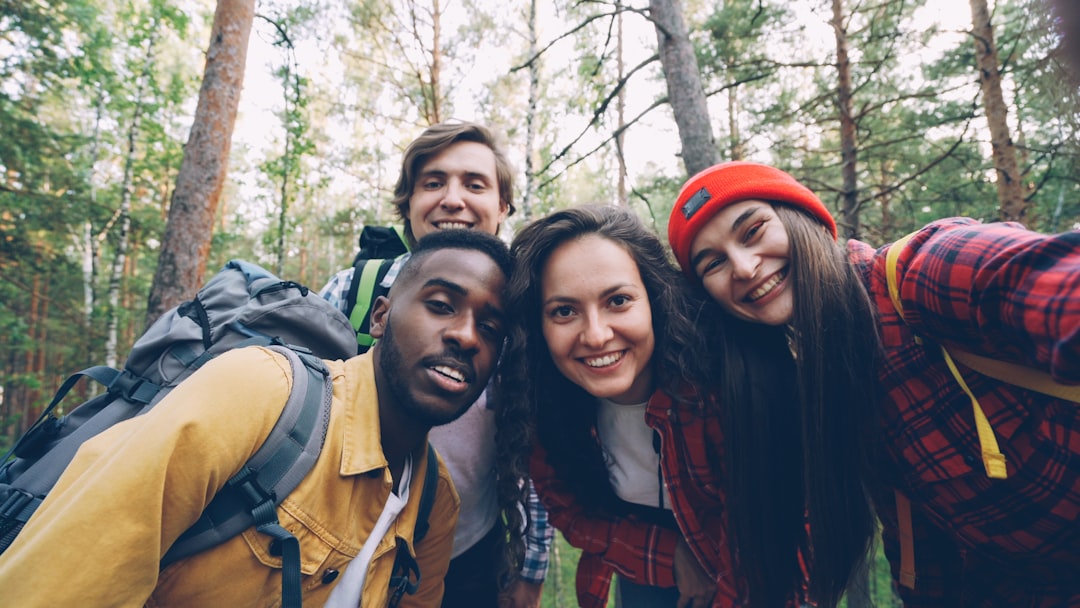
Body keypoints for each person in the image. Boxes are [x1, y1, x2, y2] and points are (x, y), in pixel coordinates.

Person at [0, 229, 514, 607]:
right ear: (380, 317)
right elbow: (64, 582)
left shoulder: (435, 502)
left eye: (490, 327)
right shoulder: (261, 391)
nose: (467, 336)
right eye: (441, 305)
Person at [666, 160, 1080, 607]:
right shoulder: (823, 375)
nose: (744, 268)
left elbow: (1051, 284)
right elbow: (921, 537)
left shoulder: (923, 272)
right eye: (714, 264)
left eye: (753, 231)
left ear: (804, 220)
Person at [320, 120, 551, 608]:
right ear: (408, 203)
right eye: (433, 182)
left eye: (474, 184)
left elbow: (537, 446)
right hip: (335, 543)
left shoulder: (526, 312)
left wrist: (529, 568)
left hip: (468, 557)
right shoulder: (353, 291)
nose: (452, 199)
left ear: (502, 207)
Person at [500, 205, 739, 608]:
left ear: (654, 298)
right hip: (641, 564)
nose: (595, 335)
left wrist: (709, 566)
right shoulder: (546, 401)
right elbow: (570, 511)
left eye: (618, 300)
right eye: (564, 311)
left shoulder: (719, 384)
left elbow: (778, 525)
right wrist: (671, 555)